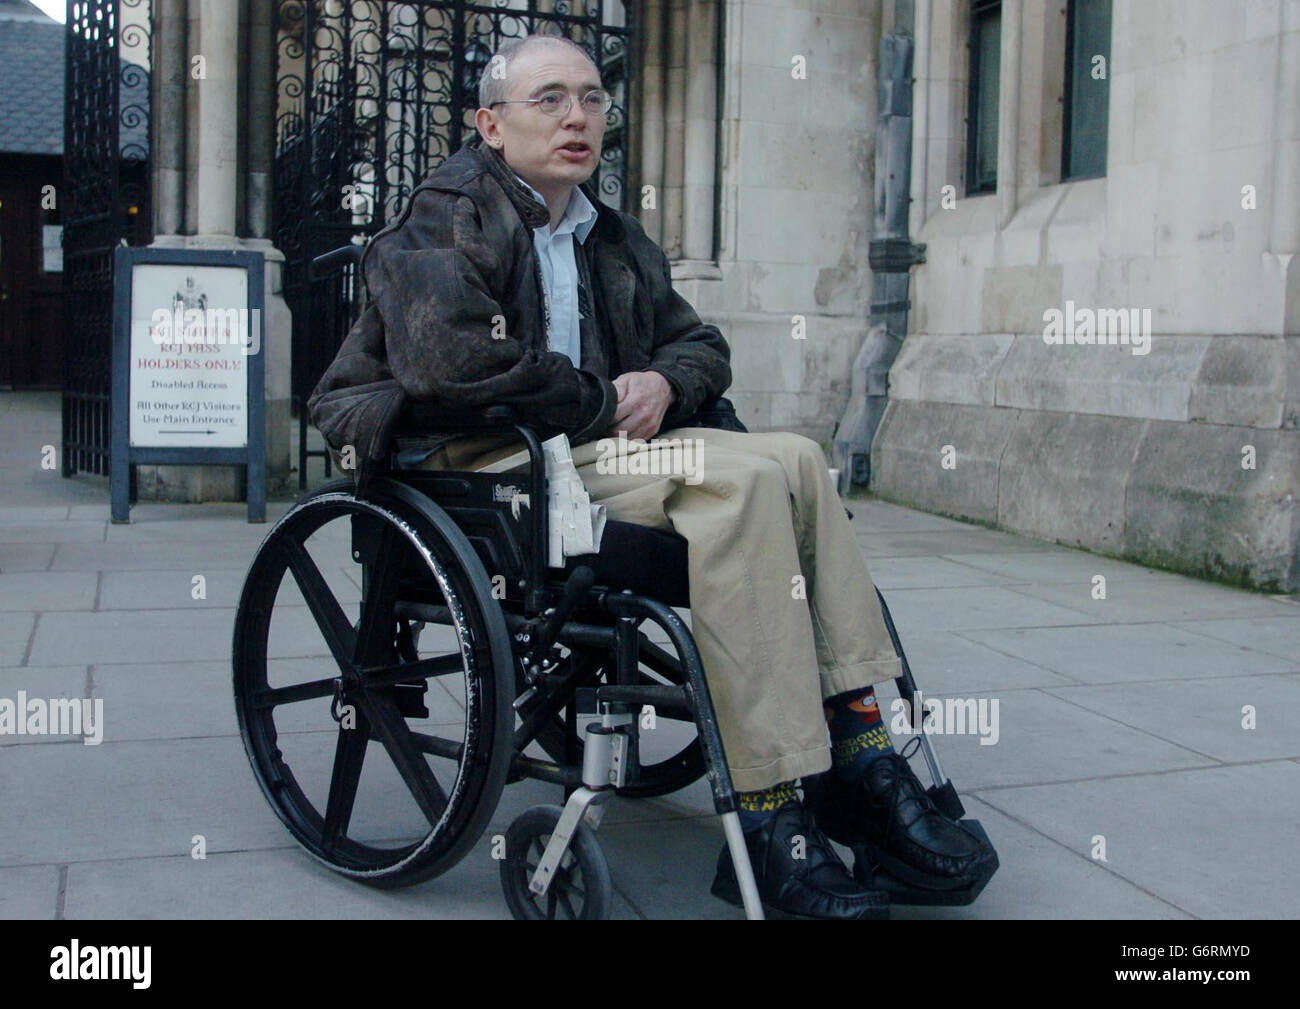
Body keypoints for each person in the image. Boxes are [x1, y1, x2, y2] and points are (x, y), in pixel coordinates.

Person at [309, 32, 995, 920]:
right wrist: (603, 398)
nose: (578, 116)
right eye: (549, 98)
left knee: (795, 459)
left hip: (587, 451)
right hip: (486, 459)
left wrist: (666, 381)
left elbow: (701, 344)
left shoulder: (610, 233)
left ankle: (861, 751)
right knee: (743, 488)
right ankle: (767, 812)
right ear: (490, 122)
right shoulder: (446, 216)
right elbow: (451, 364)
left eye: (592, 98)